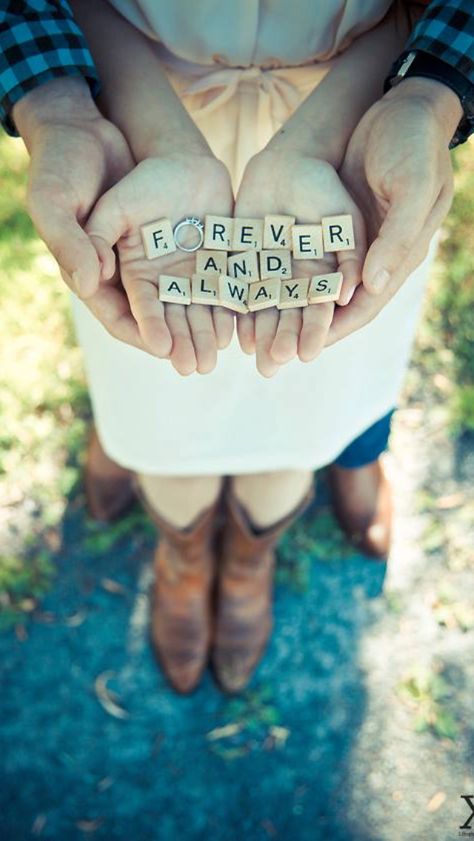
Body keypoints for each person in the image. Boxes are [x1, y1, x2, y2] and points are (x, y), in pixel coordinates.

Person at [1, 0, 472, 694]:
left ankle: (260, 544)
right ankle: (183, 547)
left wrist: (429, 95)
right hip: (137, 130)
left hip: (358, 142)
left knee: (317, 366)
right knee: (157, 369)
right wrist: (62, 109)